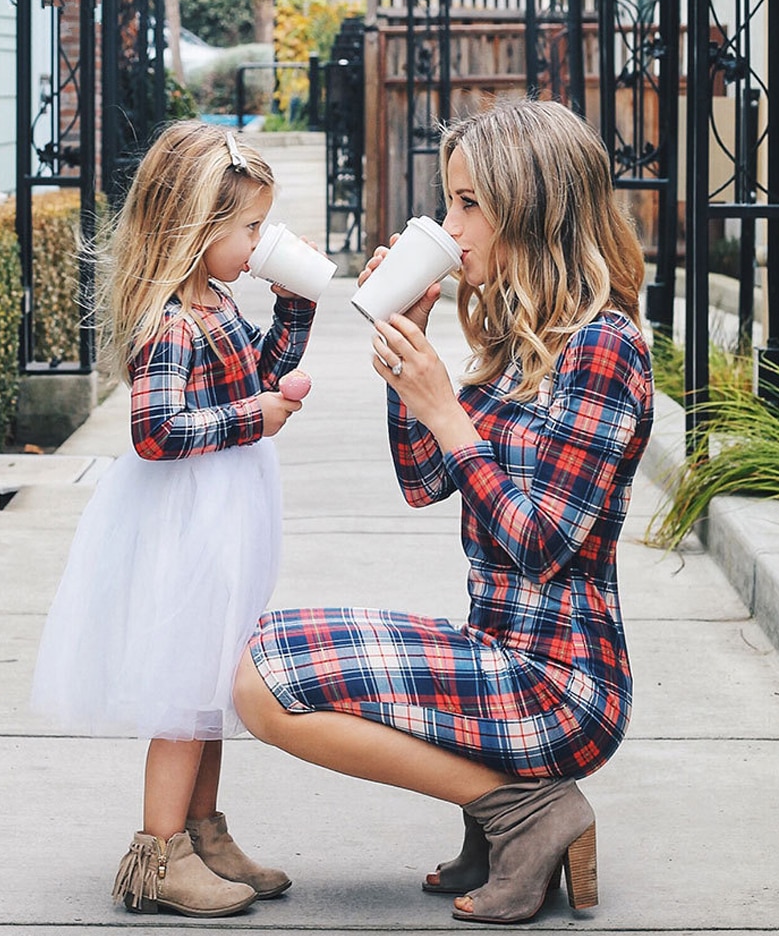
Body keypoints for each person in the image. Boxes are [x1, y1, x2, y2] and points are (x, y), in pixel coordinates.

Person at [232, 98, 655, 925]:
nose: (448, 225)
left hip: (562, 683)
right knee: (255, 652)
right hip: (496, 648)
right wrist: (410, 364)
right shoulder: (517, 334)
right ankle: (500, 810)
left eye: (468, 204)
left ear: (530, 209)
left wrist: (448, 411)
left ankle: (528, 811)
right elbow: (425, 482)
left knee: (264, 689)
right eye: (449, 201)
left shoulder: (605, 347)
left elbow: (540, 546)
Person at [31, 122, 315, 918]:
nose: (261, 242)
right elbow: (156, 434)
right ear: (197, 229)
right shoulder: (169, 323)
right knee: (183, 691)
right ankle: (157, 857)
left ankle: (204, 834)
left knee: (211, 683)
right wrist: (251, 419)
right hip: (192, 518)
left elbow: (262, 372)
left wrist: (293, 313)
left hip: (225, 513)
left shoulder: (217, 300)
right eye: (250, 228)